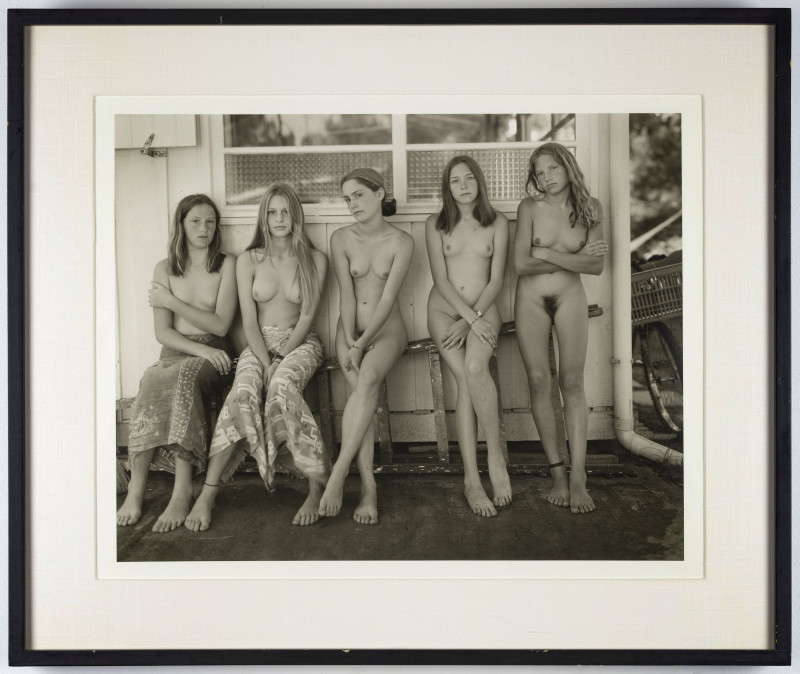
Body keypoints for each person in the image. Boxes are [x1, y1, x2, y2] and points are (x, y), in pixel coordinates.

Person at [185, 183, 329, 530]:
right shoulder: (249, 260)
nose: (280, 219)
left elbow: (307, 316)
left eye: (286, 211)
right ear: (263, 216)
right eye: (272, 211)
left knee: (281, 386)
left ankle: (315, 485)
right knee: (244, 392)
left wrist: (279, 361)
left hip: (300, 343)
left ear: (296, 214)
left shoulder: (316, 259)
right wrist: (266, 361)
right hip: (259, 344)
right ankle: (208, 494)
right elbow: (248, 320)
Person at [116, 194, 238, 532]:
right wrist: (195, 349)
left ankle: (183, 489)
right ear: (181, 225)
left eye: (210, 221)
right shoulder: (165, 267)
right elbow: (162, 333)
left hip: (214, 351)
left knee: (183, 379)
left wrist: (170, 299)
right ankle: (137, 489)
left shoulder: (227, 264)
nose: (204, 228)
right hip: (177, 352)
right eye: (196, 221)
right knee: (151, 379)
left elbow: (220, 325)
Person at [513, 142, 608, 514]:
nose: (546, 177)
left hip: (570, 298)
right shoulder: (529, 208)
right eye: (539, 172)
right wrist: (576, 259)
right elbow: (520, 264)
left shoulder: (591, 208)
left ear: (568, 167)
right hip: (530, 301)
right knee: (538, 380)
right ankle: (556, 472)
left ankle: (579, 476)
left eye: (552, 168)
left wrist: (548, 254)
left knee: (571, 381)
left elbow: (597, 267)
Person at [317, 168, 414, 524]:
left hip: (387, 329)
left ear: (379, 194)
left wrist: (362, 346)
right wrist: (348, 341)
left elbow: (387, 301)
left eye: (358, 195)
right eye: (346, 199)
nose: (351, 204)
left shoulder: (403, 242)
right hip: (349, 329)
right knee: (362, 392)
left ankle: (340, 473)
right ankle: (369, 487)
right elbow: (345, 296)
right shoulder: (341, 238)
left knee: (368, 379)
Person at [425, 156, 512, 517]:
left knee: (476, 370)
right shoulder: (435, 224)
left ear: (479, 182)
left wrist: (473, 320)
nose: (463, 185)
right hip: (444, 309)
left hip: (483, 307)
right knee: (463, 378)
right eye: (455, 180)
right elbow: (440, 280)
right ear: (447, 188)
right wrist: (465, 319)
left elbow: (496, 280)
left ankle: (495, 459)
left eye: (469, 178)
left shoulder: (497, 223)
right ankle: (471, 480)